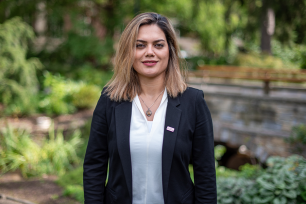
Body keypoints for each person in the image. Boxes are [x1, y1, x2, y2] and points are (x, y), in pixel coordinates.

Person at [83, 12, 216, 204]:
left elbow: (205, 175)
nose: (149, 52)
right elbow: (94, 167)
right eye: (140, 45)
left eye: (158, 45)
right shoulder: (109, 100)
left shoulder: (193, 102)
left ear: (170, 50)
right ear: (128, 52)